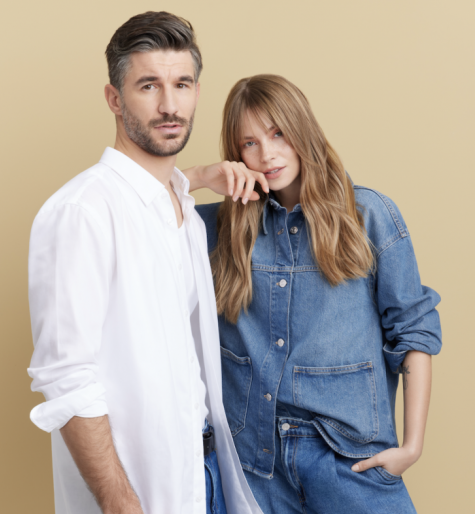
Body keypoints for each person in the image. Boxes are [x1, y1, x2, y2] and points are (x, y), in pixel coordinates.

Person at [27, 12, 266, 514]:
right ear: (115, 98)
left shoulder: (184, 212)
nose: (169, 106)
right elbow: (66, 377)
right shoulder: (82, 212)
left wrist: (197, 176)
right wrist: (120, 502)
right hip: (135, 492)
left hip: (205, 475)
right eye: (148, 85)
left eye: (182, 84)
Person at [196, 74, 442, 514]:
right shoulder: (219, 228)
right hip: (253, 463)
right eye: (249, 143)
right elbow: (132, 208)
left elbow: (413, 332)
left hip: (347, 459)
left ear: (302, 130)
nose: (267, 154)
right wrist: (199, 175)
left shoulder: (368, 216)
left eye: (278, 133)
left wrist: (412, 446)